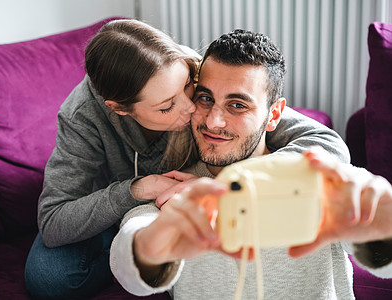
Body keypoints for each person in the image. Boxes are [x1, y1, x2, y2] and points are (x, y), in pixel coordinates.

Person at [24, 20, 350, 299]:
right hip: (123, 201)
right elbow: (53, 222)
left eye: (190, 90)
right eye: (167, 107)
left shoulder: (201, 71)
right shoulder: (83, 116)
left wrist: (223, 186)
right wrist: (136, 190)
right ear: (120, 109)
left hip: (180, 192)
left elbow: (322, 142)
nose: (195, 111)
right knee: (49, 276)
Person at [110, 29, 392, 299]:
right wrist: (150, 248)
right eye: (205, 98)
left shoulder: (317, 180)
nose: (212, 121)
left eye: (237, 105)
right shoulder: (172, 193)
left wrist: (382, 222)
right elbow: (129, 264)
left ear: (274, 115)